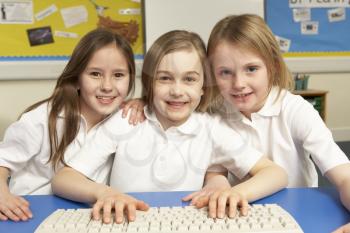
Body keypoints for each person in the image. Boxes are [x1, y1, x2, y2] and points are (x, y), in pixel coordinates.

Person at [52, 30, 287, 224]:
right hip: (126, 223)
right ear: (149, 83)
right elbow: (63, 179)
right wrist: (104, 192)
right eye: (164, 78)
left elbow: (275, 174)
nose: (177, 90)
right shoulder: (127, 120)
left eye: (189, 79)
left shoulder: (211, 129)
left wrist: (235, 193)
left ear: (204, 85)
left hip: (187, 224)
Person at [204, 14, 350, 232]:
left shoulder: (295, 109)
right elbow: (216, 170)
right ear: (213, 73)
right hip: (243, 215)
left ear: (271, 66)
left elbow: (344, 175)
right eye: (225, 72)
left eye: (251, 69)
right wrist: (218, 183)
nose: (239, 83)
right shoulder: (215, 115)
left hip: (298, 214)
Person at [0, 28, 136, 222]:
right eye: (95, 74)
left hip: (86, 217)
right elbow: (3, 160)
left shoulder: (124, 119)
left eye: (118, 75)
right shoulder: (43, 119)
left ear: (130, 79)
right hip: (30, 215)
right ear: (77, 79)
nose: (107, 86)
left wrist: (142, 102)